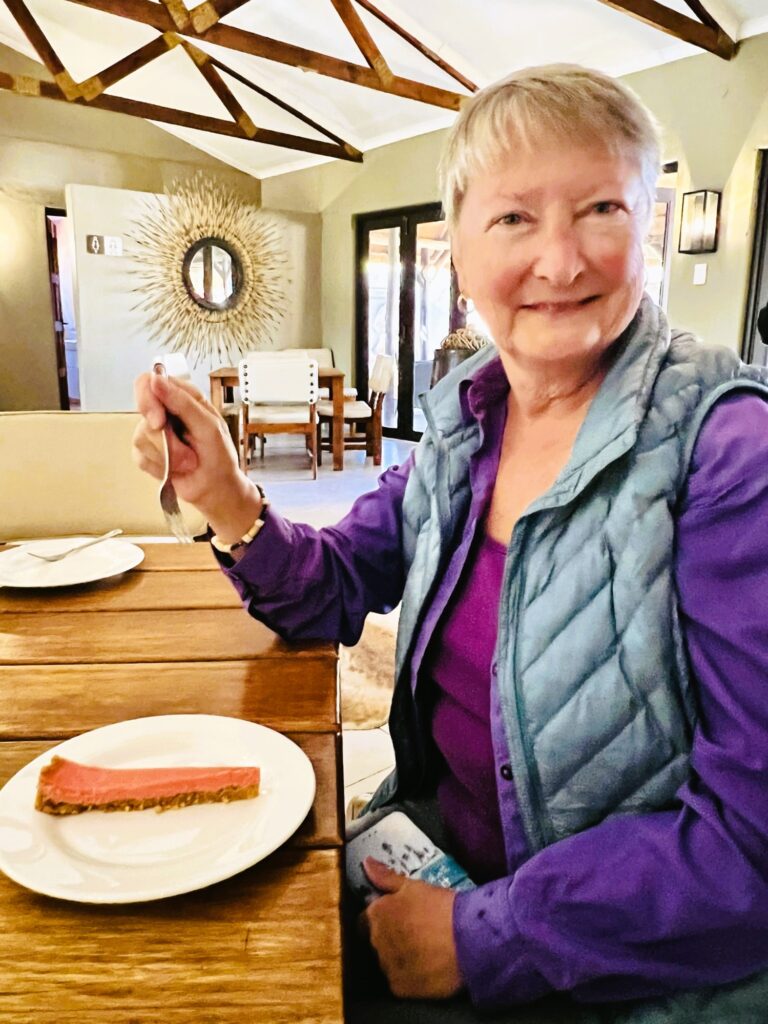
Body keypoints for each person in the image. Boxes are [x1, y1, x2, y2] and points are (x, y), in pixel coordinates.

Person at [133, 65, 768, 1023]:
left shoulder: (732, 455)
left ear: (649, 228)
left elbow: (750, 844)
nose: (561, 262)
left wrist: (484, 937)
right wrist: (223, 495)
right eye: (514, 219)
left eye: (601, 207)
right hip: (434, 856)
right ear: (457, 257)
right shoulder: (470, 421)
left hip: (624, 972)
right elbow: (331, 588)